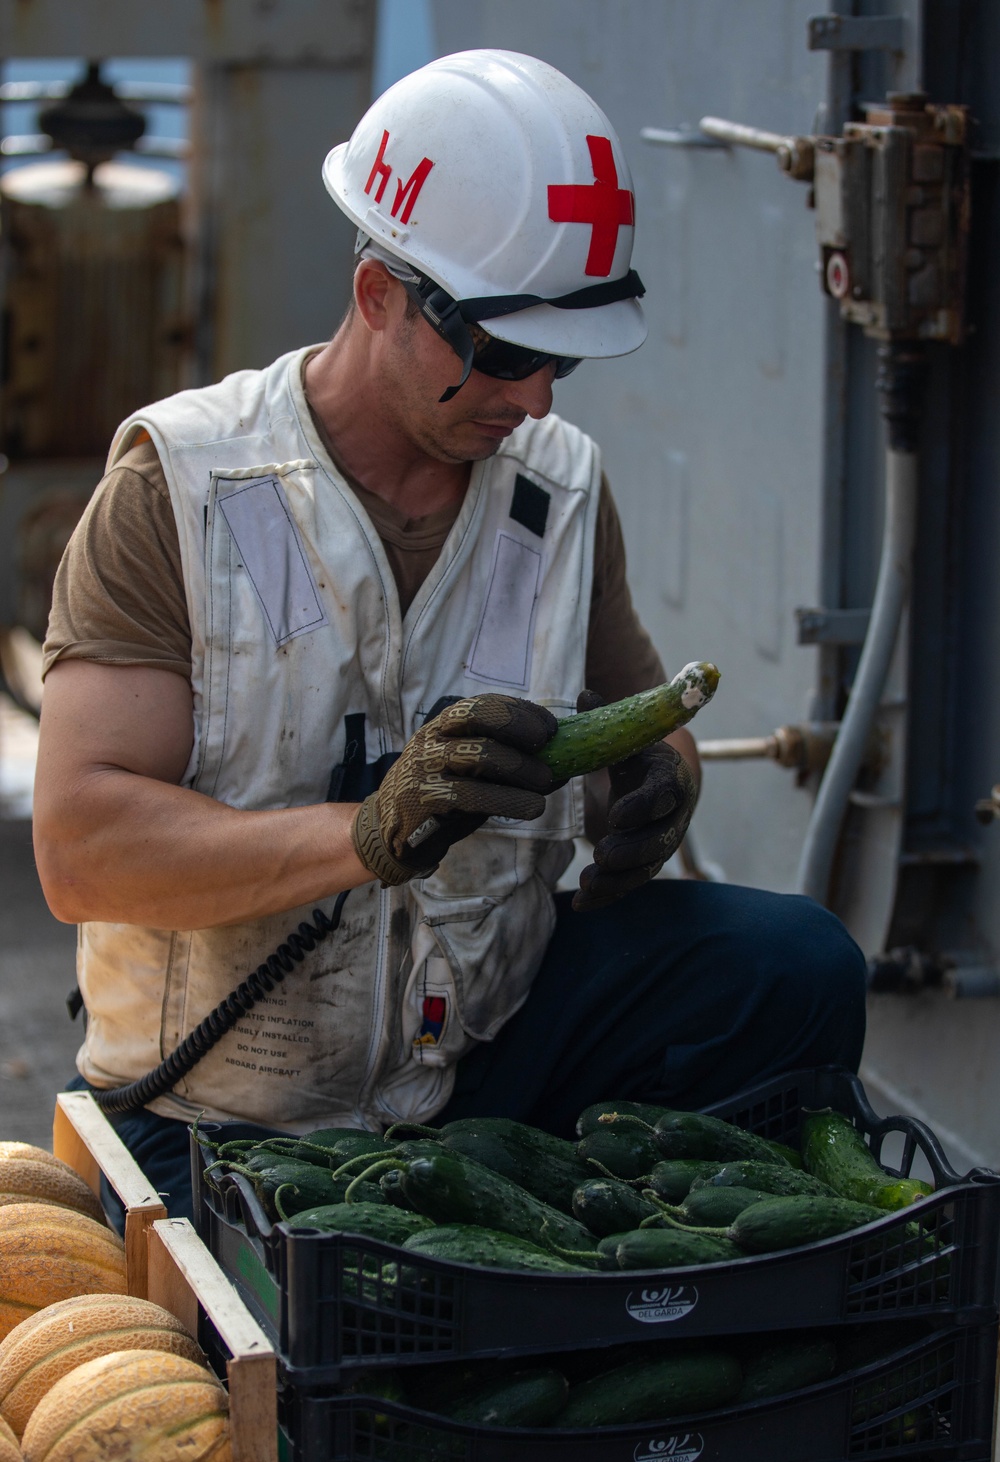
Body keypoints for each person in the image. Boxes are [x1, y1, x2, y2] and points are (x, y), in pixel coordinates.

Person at [33, 50, 866, 1223]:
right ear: (379, 294)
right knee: (309, 1371)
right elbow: (80, 848)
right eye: (506, 353)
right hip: (212, 1114)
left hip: (481, 1063)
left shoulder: (555, 492)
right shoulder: (186, 487)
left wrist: (653, 789)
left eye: (562, 359)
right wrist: (364, 833)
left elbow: (637, 717)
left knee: (791, 966)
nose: (536, 401)